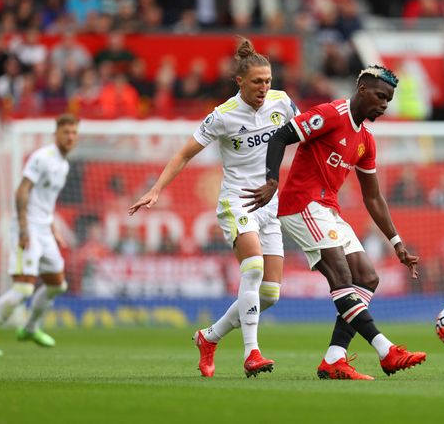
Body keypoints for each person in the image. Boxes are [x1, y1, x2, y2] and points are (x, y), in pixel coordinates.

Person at [128, 38, 299, 378]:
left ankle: (209, 337)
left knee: (270, 294)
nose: (264, 88)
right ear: (240, 82)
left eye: (268, 81)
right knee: (253, 269)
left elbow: (304, 134)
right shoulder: (222, 116)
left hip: (269, 202)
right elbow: (184, 154)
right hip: (237, 200)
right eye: (257, 82)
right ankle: (252, 354)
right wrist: (156, 189)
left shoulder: (282, 102)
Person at [242, 65, 426, 380]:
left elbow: (373, 198)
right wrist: (272, 181)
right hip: (301, 204)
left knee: (367, 278)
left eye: (389, 100)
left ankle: (334, 358)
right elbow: (281, 135)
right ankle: (386, 350)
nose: (384, 105)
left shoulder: (366, 139)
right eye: (380, 96)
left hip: (328, 209)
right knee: (341, 274)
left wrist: (397, 245)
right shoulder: (331, 114)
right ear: (363, 90)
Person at [0, 114, 79, 356]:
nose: (70, 137)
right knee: (23, 289)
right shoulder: (42, 158)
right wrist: (24, 228)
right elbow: (22, 191)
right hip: (27, 228)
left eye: (73, 133)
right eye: (66, 132)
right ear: (56, 134)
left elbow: (45, 202)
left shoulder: (64, 164)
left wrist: (54, 229)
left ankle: (30, 327)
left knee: (57, 284)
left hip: (45, 229)